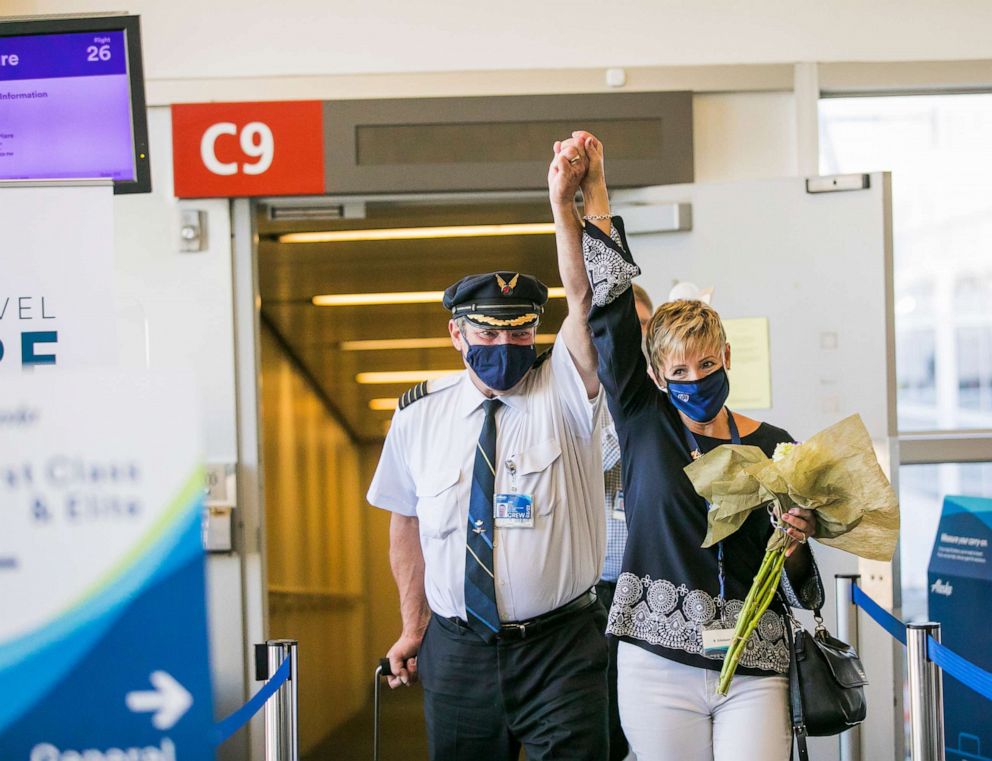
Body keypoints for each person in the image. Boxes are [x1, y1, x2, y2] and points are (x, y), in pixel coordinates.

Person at [553, 131, 824, 761]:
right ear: (655, 377)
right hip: (656, 665)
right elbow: (610, 309)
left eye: (707, 364)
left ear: (727, 357)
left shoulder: (777, 446)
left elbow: (803, 591)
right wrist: (595, 195)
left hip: (755, 663)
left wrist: (797, 543)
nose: (695, 379)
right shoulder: (644, 422)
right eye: (678, 371)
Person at [365, 143, 610, 761]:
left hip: (561, 649)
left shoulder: (563, 388)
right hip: (459, 651)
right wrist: (413, 626)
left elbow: (588, 300)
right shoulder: (419, 414)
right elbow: (407, 523)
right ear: (456, 333)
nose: (507, 342)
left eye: (522, 328)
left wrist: (568, 204)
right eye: (489, 330)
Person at [598, 282, 653, 761]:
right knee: (603, 727)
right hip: (595, 596)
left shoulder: (673, 402)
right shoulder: (579, 399)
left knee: (655, 726)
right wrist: (628, 412)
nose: (627, 341)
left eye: (638, 330)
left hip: (657, 592)